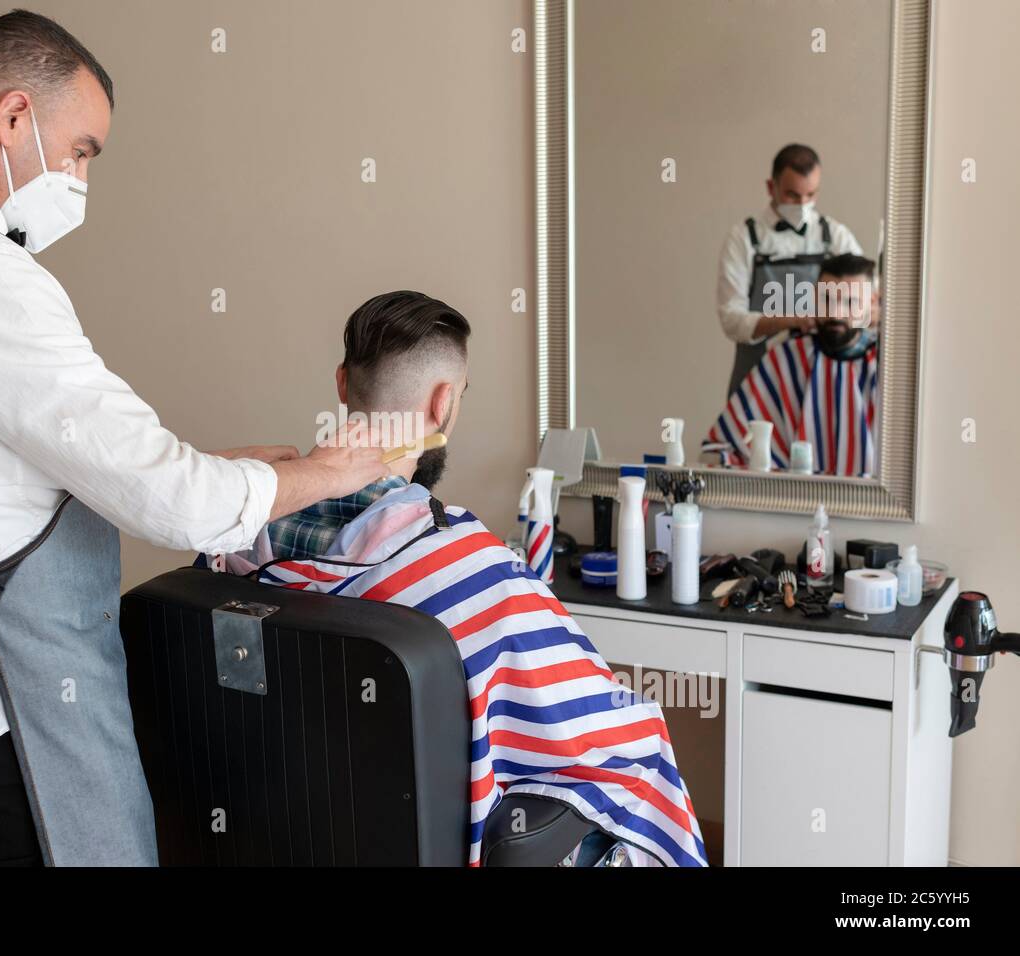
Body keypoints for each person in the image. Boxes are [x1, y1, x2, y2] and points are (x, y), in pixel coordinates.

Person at [0, 10, 392, 867]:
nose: (82, 178)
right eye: (81, 151)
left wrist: (224, 465)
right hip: (20, 692)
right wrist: (324, 469)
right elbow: (181, 506)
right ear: (13, 118)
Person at [211, 291, 708, 867]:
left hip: (288, 832)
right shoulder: (469, 567)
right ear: (444, 406)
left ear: (343, 385)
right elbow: (612, 736)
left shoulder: (232, 541)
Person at [703, 253, 881, 477]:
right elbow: (722, 446)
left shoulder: (886, 366)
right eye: (827, 300)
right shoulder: (786, 359)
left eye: (849, 302)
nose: (836, 312)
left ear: (871, 302)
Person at [717, 144, 864, 395]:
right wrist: (792, 320)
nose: (802, 203)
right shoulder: (743, 238)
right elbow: (731, 319)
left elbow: (863, 304)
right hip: (758, 379)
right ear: (770, 187)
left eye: (811, 195)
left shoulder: (836, 236)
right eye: (792, 195)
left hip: (820, 378)